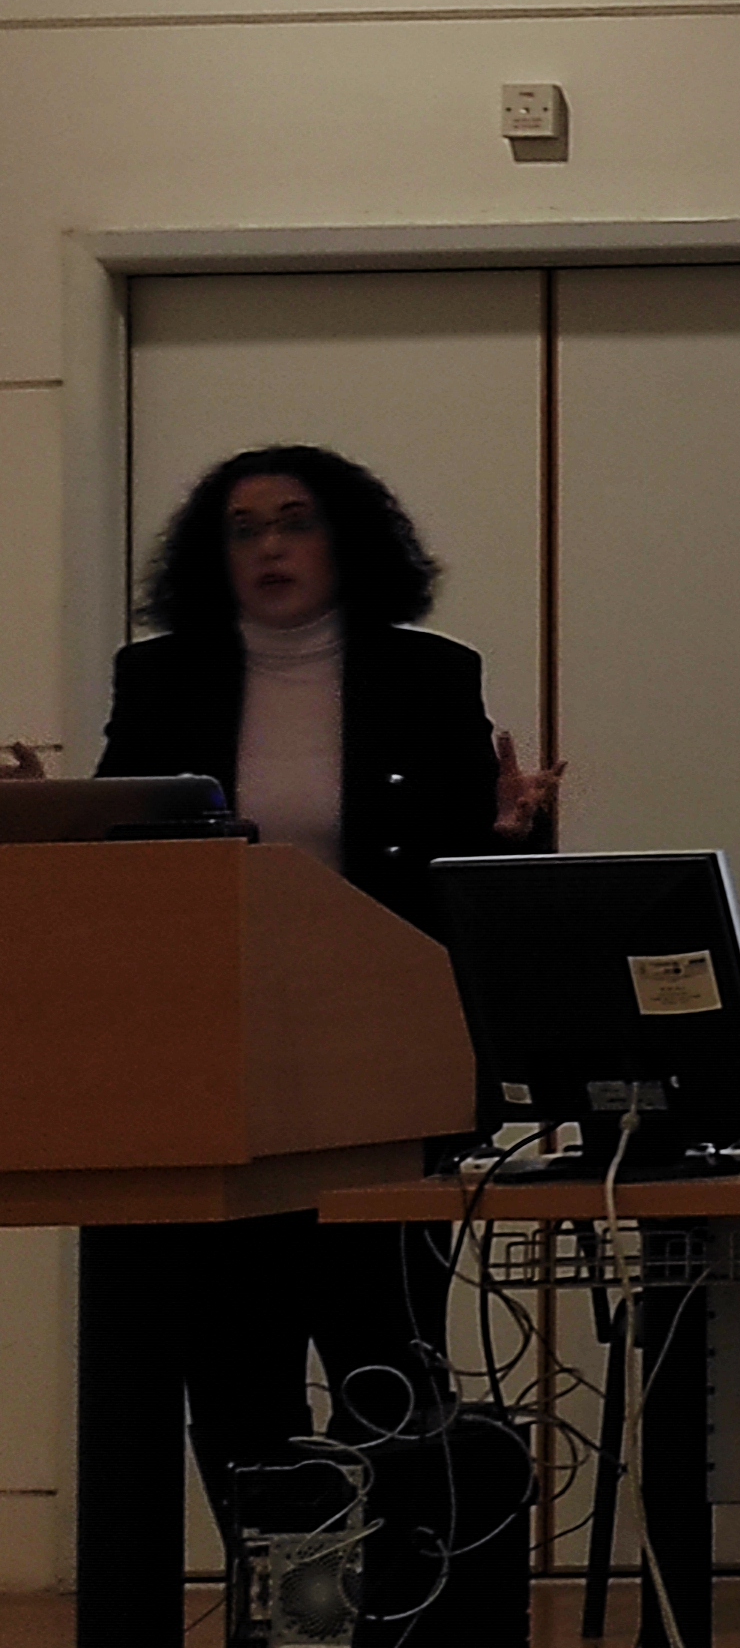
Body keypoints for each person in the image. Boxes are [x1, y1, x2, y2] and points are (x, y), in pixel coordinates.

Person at [94, 446, 562, 1540]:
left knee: (384, 1353)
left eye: (294, 521)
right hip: (221, 1073)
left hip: (380, 1069)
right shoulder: (161, 679)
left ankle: (395, 1607)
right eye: (244, 528)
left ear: (345, 542)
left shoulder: (427, 675)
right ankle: (279, 1595)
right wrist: (50, 832)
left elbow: (459, 879)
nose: (269, 546)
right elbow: (124, 856)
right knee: (234, 1357)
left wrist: (512, 833)